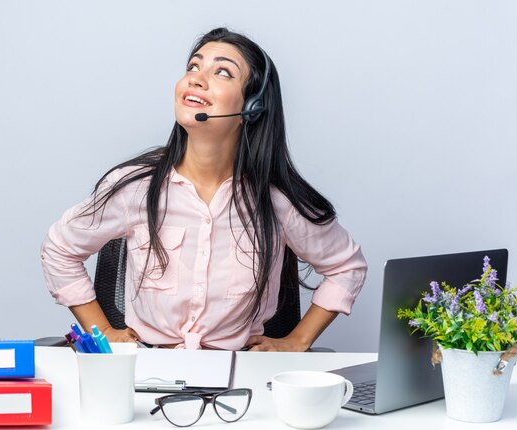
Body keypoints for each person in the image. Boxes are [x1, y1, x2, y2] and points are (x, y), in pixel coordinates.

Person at [41, 27, 367, 351]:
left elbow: (346, 266)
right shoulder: (136, 188)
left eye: (222, 72)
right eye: (193, 67)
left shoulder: (276, 201)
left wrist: (298, 340)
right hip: (149, 374)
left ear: (252, 108)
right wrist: (103, 333)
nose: (196, 78)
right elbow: (59, 248)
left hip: (240, 378)